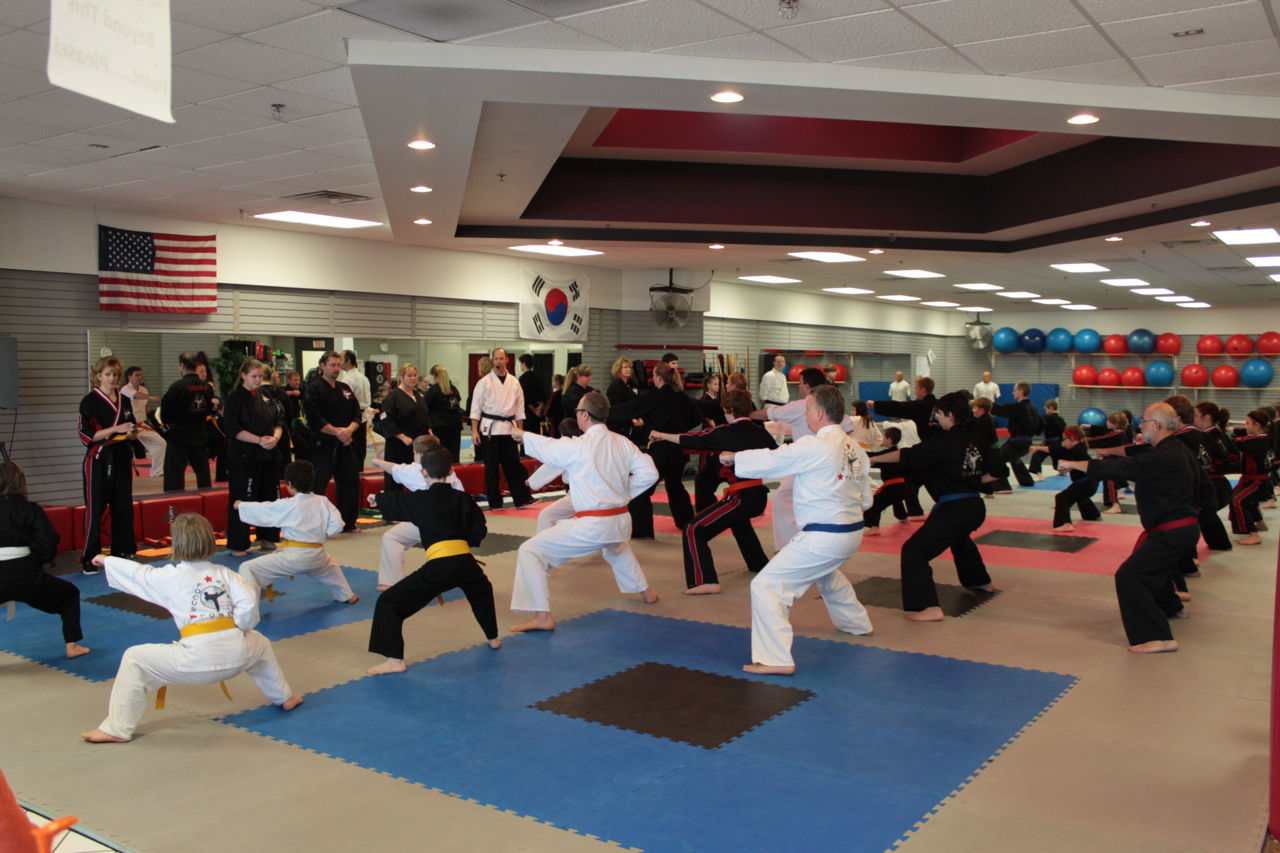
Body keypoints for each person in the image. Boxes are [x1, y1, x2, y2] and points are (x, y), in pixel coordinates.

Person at [81, 514, 302, 743]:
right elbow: (248, 607)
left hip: (195, 661)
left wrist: (106, 560)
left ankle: (117, 729)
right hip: (238, 656)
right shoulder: (227, 574)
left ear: (177, 544)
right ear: (209, 540)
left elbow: (137, 574)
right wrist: (238, 628)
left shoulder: (168, 577)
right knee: (260, 642)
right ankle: (285, 697)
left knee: (134, 658)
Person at [725, 385, 874, 674]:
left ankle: (775, 659)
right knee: (826, 573)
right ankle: (856, 624)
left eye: (806, 409)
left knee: (766, 586)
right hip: (852, 533)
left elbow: (776, 459)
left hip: (825, 536)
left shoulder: (815, 445)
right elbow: (866, 499)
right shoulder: (854, 448)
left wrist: (735, 457)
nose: (804, 414)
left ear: (819, 414)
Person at [507, 391, 660, 632]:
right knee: (616, 547)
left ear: (585, 415)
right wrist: (624, 493)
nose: (576, 415)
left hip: (594, 525)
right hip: (621, 521)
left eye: (578, 411)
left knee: (530, 551)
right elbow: (650, 474)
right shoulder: (622, 442)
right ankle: (646, 593)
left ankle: (542, 616)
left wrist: (522, 435)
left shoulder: (579, 446)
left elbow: (550, 448)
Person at [1059, 403, 1199, 653]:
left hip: (1172, 531)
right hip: (1181, 528)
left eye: (1144, 421)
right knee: (1155, 569)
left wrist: (1077, 464)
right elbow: (1133, 456)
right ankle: (1173, 608)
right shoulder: (1176, 448)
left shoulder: (1162, 456)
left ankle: (1157, 637)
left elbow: (1121, 468)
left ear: (1157, 425)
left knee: (1130, 576)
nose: (1140, 425)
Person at [366, 444, 499, 675]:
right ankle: (493, 638)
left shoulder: (420, 500)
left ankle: (394, 660)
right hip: (466, 562)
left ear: (423, 472)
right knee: (481, 592)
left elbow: (396, 501)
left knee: (388, 602)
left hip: (440, 566)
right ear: (451, 471)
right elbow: (479, 530)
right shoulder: (463, 498)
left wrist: (377, 499)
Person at [872, 391, 996, 622]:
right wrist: (972, 481)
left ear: (950, 415)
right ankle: (980, 581)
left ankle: (929, 606)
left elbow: (908, 455)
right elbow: (1000, 471)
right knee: (958, 538)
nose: (936, 417)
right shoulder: (976, 439)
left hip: (955, 508)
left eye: (939, 413)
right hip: (974, 506)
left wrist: (873, 459)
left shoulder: (944, 441)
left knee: (914, 550)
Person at [649, 389, 776, 594]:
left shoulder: (727, 432)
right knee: (739, 522)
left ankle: (705, 581)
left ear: (729, 410)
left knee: (693, 529)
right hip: (758, 496)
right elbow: (777, 456)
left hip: (741, 498)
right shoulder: (760, 432)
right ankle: (759, 564)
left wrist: (661, 435)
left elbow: (692, 439)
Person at [234, 460, 358, 604]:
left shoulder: (288, 504)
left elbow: (264, 510)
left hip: (293, 558)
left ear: (289, 484)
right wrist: (321, 533)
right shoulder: (323, 501)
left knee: (248, 568)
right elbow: (338, 524)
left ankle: (247, 608)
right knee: (330, 567)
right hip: (317, 554)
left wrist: (240, 505)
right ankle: (346, 595)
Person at [759, 367, 856, 548]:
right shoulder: (827, 404)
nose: (798, 386)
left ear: (807, 385)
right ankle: (795, 544)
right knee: (788, 498)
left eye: (800, 383)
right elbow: (849, 426)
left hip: (810, 463)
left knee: (786, 498)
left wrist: (747, 415)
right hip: (819, 464)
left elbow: (768, 413)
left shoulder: (800, 405)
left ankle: (790, 546)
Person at [0, 461, 89, 659]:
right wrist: (34, 563)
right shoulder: (30, 509)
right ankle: (72, 646)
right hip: (27, 575)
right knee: (69, 595)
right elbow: (48, 542)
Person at [610, 362, 703, 537]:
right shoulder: (681, 396)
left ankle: (642, 531)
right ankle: (686, 523)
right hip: (677, 449)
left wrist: (602, 413)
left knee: (641, 488)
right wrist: (680, 429)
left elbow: (629, 409)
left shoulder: (655, 396)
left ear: (658, 377)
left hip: (661, 450)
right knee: (675, 485)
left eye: (653, 375)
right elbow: (697, 417)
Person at [370, 434, 467, 590]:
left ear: (420, 454)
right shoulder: (446, 467)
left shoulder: (418, 470)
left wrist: (376, 461)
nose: (413, 456)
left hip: (433, 524)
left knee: (391, 537)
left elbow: (395, 469)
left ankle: (392, 582)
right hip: (458, 524)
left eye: (414, 453)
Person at [78, 355, 137, 573]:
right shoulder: (89, 401)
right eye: (108, 374)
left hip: (121, 457)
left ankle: (122, 550)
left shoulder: (125, 400)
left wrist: (131, 432)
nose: (112, 378)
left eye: (115, 374)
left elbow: (130, 425)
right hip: (99, 459)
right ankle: (90, 556)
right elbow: (86, 435)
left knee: (123, 506)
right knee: (96, 509)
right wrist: (115, 429)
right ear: (98, 376)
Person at [223, 358, 283, 557]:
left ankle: (268, 536)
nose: (258, 380)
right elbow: (232, 428)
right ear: (243, 376)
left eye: (260, 376)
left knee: (269, 496)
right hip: (245, 455)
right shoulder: (234, 398)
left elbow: (279, 421)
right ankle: (238, 543)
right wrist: (258, 440)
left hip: (268, 452)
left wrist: (275, 438)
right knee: (243, 498)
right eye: (253, 376)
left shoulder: (266, 395)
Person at [1163, 394, 1233, 554]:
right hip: (1215, 488)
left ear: (1176, 418)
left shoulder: (1181, 439)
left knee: (1183, 521)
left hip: (1203, 491)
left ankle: (1188, 559)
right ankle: (1220, 543)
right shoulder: (1204, 435)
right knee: (1207, 517)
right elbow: (1226, 459)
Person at [469, 347, 534, 510]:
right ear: (493, 361)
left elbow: (520, 409)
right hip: (489, 430)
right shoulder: (484, 382)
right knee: (491, 468)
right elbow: (475, 409)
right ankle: (495, 502)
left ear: (507, 360)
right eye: (496, 358)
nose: (499, 361)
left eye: (501, 358)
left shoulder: (514, 382)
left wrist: (520, 432)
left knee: (513, 465)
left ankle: (522, 498)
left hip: (509, 429)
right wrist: (474, 431)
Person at [303, 351, 361, 532]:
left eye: (338, 365)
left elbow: (357, 413)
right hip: (323, 443)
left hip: (345, 442)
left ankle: (348, 523)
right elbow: (314, 417)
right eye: (332, 365)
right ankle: (314, 524)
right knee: (318, 483)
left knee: (349, 482)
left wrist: (349, 430)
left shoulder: (345, 388)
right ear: (322, 366)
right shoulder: (314, 388)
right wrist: (337, 432)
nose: (336, 369)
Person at [159, 352, 215, 492]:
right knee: (203, 472)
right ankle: (207, 498)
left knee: (174, 472)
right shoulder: (207, 387)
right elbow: (210, 409)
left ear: (182, 365)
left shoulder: (177, 387)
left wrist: (168, 423)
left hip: (179, 435)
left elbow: (165, 413)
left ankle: (174, 500)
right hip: (200, 433)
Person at [377, 363, 431, 490]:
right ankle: (393, 501)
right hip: (398, 444)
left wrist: (429, 430)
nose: (413, 378)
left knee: (417, 476)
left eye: (414, 375)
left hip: (417, 444)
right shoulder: (393, 397)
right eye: (409, 375)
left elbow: (425, 415)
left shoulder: (418, 395)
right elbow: (386, 419)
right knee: (395, 477)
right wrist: (402, 437)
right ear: (401, 377)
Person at [1230, 409, 1274, 546]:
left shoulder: (1255, 440)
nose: (1245, 426)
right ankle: (1260, 523)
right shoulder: (1267, 438)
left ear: (1257, 425)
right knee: (1250, 501)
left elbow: (1234, 443)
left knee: (1237, 500)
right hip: (1264, 480)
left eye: (1248, 423)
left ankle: (1253, 534)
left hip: (1257, 482)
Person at [1048, 427, 1100, 531]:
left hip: (1086, 483)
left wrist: (1067, 466)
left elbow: (1081, 464)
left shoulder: (1077, 451)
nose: (1063, 442)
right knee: (1079, 496)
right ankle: (1092, 514)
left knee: (1062, 498)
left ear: (1072, 438)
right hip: (1090, 482)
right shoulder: (1079, 448)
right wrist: (1037, 448)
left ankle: (1064, 524)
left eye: (1064, 439)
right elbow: (1057, 450)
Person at [991, 381, 1039, 488]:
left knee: (997, 459)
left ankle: (1002, 486)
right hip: (1025, 441)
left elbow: (1001, 409)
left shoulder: (1019, 407)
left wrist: (983, 404)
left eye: (1015, 390)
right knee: (1014, 457)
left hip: (1018, 443)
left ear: (1021, 391)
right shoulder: (1033, 408)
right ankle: (1026, 481)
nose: (1013, 393)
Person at [864, 426, 909, 533]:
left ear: (889, 440)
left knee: (875, 503)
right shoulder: (898, 453)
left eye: (883, 437)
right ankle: (903, 518)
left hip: (893, 487)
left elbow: (873, 456)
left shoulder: (887, 454)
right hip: (903, 487)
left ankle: (874, 527)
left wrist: (857, 451)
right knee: (896, 500)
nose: (882, 439)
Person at [121, 366, 163, 478]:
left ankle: (156, 471)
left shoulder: (144, 390)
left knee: (160, 443)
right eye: (136, 375)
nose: (139, 377)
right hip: (128, 426)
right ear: (129, 377)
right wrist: (151, 397)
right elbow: (136, 395)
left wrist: (146, 409)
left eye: (140, 375)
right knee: (125, 452)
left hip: (141, 425)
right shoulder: (125, 389)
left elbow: (141, 405)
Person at [424, 365, 463, 463]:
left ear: (435, 376)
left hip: (439, 427)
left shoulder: (433, 390)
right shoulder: (454, 389)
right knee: (453, 455)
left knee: (439, 455)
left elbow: (425, 407)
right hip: (454, 426)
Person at [340, 350, 372, 470]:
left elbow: (344, 402)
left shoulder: (347, 379)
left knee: (351, 452)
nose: (339, 363)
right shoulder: (364, 378)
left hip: (351, 419)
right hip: (363, 418)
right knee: (360, 451)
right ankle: (359, 473)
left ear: (348, 361)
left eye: (341, 359)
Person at [1028, 399, 1066, 480]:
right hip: (1058, 442)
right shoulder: (1061, 419)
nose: (1046, 411)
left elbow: (1038, 425)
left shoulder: (1047, 418)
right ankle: (1062, 471)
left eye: (1046, 409)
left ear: (1051, 408)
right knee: (1057, 458)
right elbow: (1064, 431)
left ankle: (1039, 475)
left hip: (1049, 442)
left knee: (1037, 455)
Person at [518, 353, 547, 436]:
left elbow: (525, 398)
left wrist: (534, 411)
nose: (520, 366)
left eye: (520, 363)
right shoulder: (538, 376)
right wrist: (539, 409)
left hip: (528, 413)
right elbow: (544, 394)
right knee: (536, 436)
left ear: (524, 363)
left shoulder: (522, 378)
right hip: (538, 412)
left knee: (528, 436)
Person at [282, 370, 308, 463]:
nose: (297, 382)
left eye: (298, 380)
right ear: (289, 380)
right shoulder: (284, 390)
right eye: (295, 380)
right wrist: (292, 393)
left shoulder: (300, 390)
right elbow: (281, 393)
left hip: (297, 422)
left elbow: (305, 394)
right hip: (287, 423)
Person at [545, 373, 565, 438]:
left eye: (552, 381)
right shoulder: (564, 393)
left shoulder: (554, 394)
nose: (552, 383)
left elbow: (549, 407)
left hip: (554, 419)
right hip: (562, 418)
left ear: (556, 382)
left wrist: (546, 416)